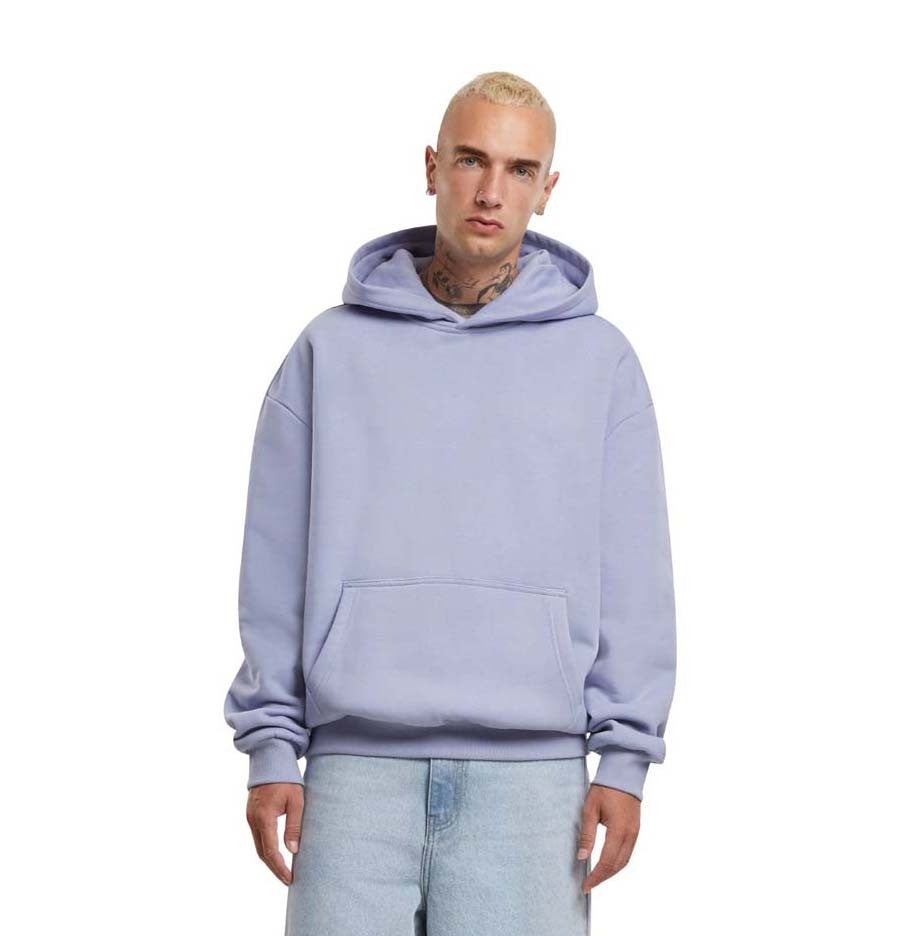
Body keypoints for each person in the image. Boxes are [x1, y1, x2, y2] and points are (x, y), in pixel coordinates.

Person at [223, 70, 677, 936]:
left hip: (533, 791)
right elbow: (273, 563)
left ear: (547, 188)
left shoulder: (600, 363)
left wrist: (625, 759)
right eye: (471, 160)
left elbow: (635, 571)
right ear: (432, 167)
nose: (490, 190)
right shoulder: (329, 352)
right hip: (352, 779)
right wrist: (271, 745)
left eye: (518, 169)